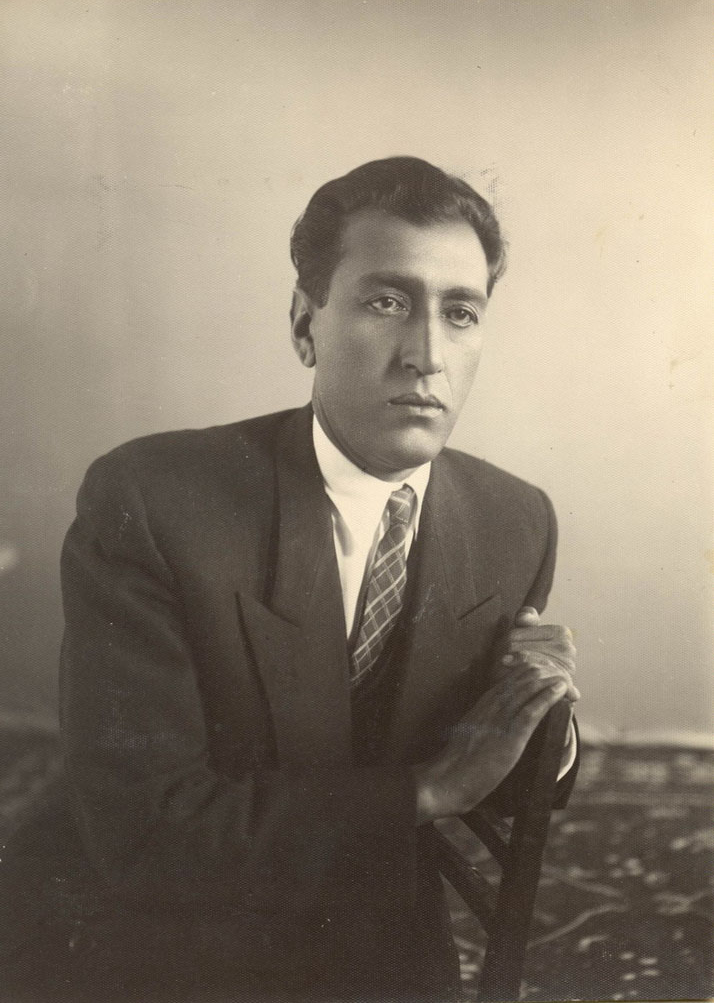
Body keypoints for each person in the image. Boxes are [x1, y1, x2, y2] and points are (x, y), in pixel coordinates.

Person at [4, 157, 578, 1002]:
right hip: (153, 924)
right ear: (305, 325)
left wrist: (544, 708)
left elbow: (511, 779)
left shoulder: (516, 520)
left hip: (369, 912)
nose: (426, 355)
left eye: (460, 313)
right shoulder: (153, 500)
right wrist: (426, 791)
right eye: (387, 303)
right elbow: (145, 832)